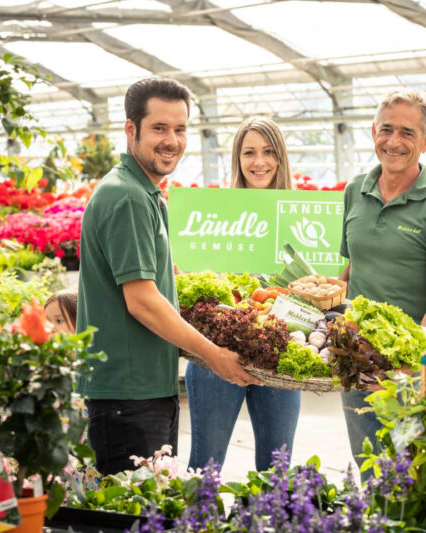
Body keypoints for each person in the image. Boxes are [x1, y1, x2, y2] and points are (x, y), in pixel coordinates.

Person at [76, 77, 261, 476]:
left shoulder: (143, 191)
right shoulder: (126, 197)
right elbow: (142, 301)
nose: (172, 140)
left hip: (144, 391)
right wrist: (215, 356)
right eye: (159, 128)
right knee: (134, 516)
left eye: (180, 129)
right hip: (128, 396)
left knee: (151, 512)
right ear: (131, 129)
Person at [338, 90, 426, 479]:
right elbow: (351, 269)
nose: (394, 142)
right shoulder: (355, 190)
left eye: (408, 133)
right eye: (386, 129)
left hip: (415, 368)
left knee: (417, 482)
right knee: (371, 473)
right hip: (357, 364)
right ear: (373, 132)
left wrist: (406, 364)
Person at [185, 117, 298, 472]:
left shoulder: (301, 216)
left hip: (278, 356)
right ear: (237, 159)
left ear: (280, 157)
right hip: (217, 356)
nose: (258, 162)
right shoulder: (215, 214)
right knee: (205, 465)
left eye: (268, 152)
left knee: (277, 468)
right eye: (248, 152)